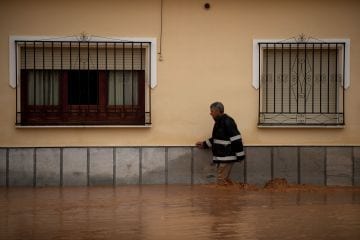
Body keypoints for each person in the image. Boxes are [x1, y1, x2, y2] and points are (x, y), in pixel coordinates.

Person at [196, 102, 245, 185]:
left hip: (226, 157)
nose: (210, 113)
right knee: (223, 182)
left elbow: (236, 139)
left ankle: (226, 197)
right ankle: (230, 196)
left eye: (212, 111)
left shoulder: (228, 121)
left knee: (221, 182)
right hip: (222, 158)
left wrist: (240, 156)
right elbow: (217, 138)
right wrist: (204, 144)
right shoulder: (219, 122)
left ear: (218, 111)